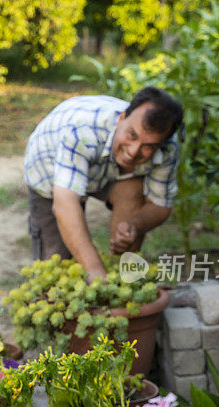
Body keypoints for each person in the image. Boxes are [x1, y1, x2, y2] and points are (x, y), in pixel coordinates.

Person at [24, 87, 183, 280]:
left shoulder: (168, 147)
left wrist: (135, 225)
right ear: (121, 118)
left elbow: (161, 205)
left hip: (110, 170)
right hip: (49, 170)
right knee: (55, 263)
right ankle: (94, 277)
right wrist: (96, 271)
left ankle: (122, 278)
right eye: (132, 135)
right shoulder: (81, 130)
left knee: (133, 192)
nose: (134, 151)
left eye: (148, 146)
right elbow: (65, 206)